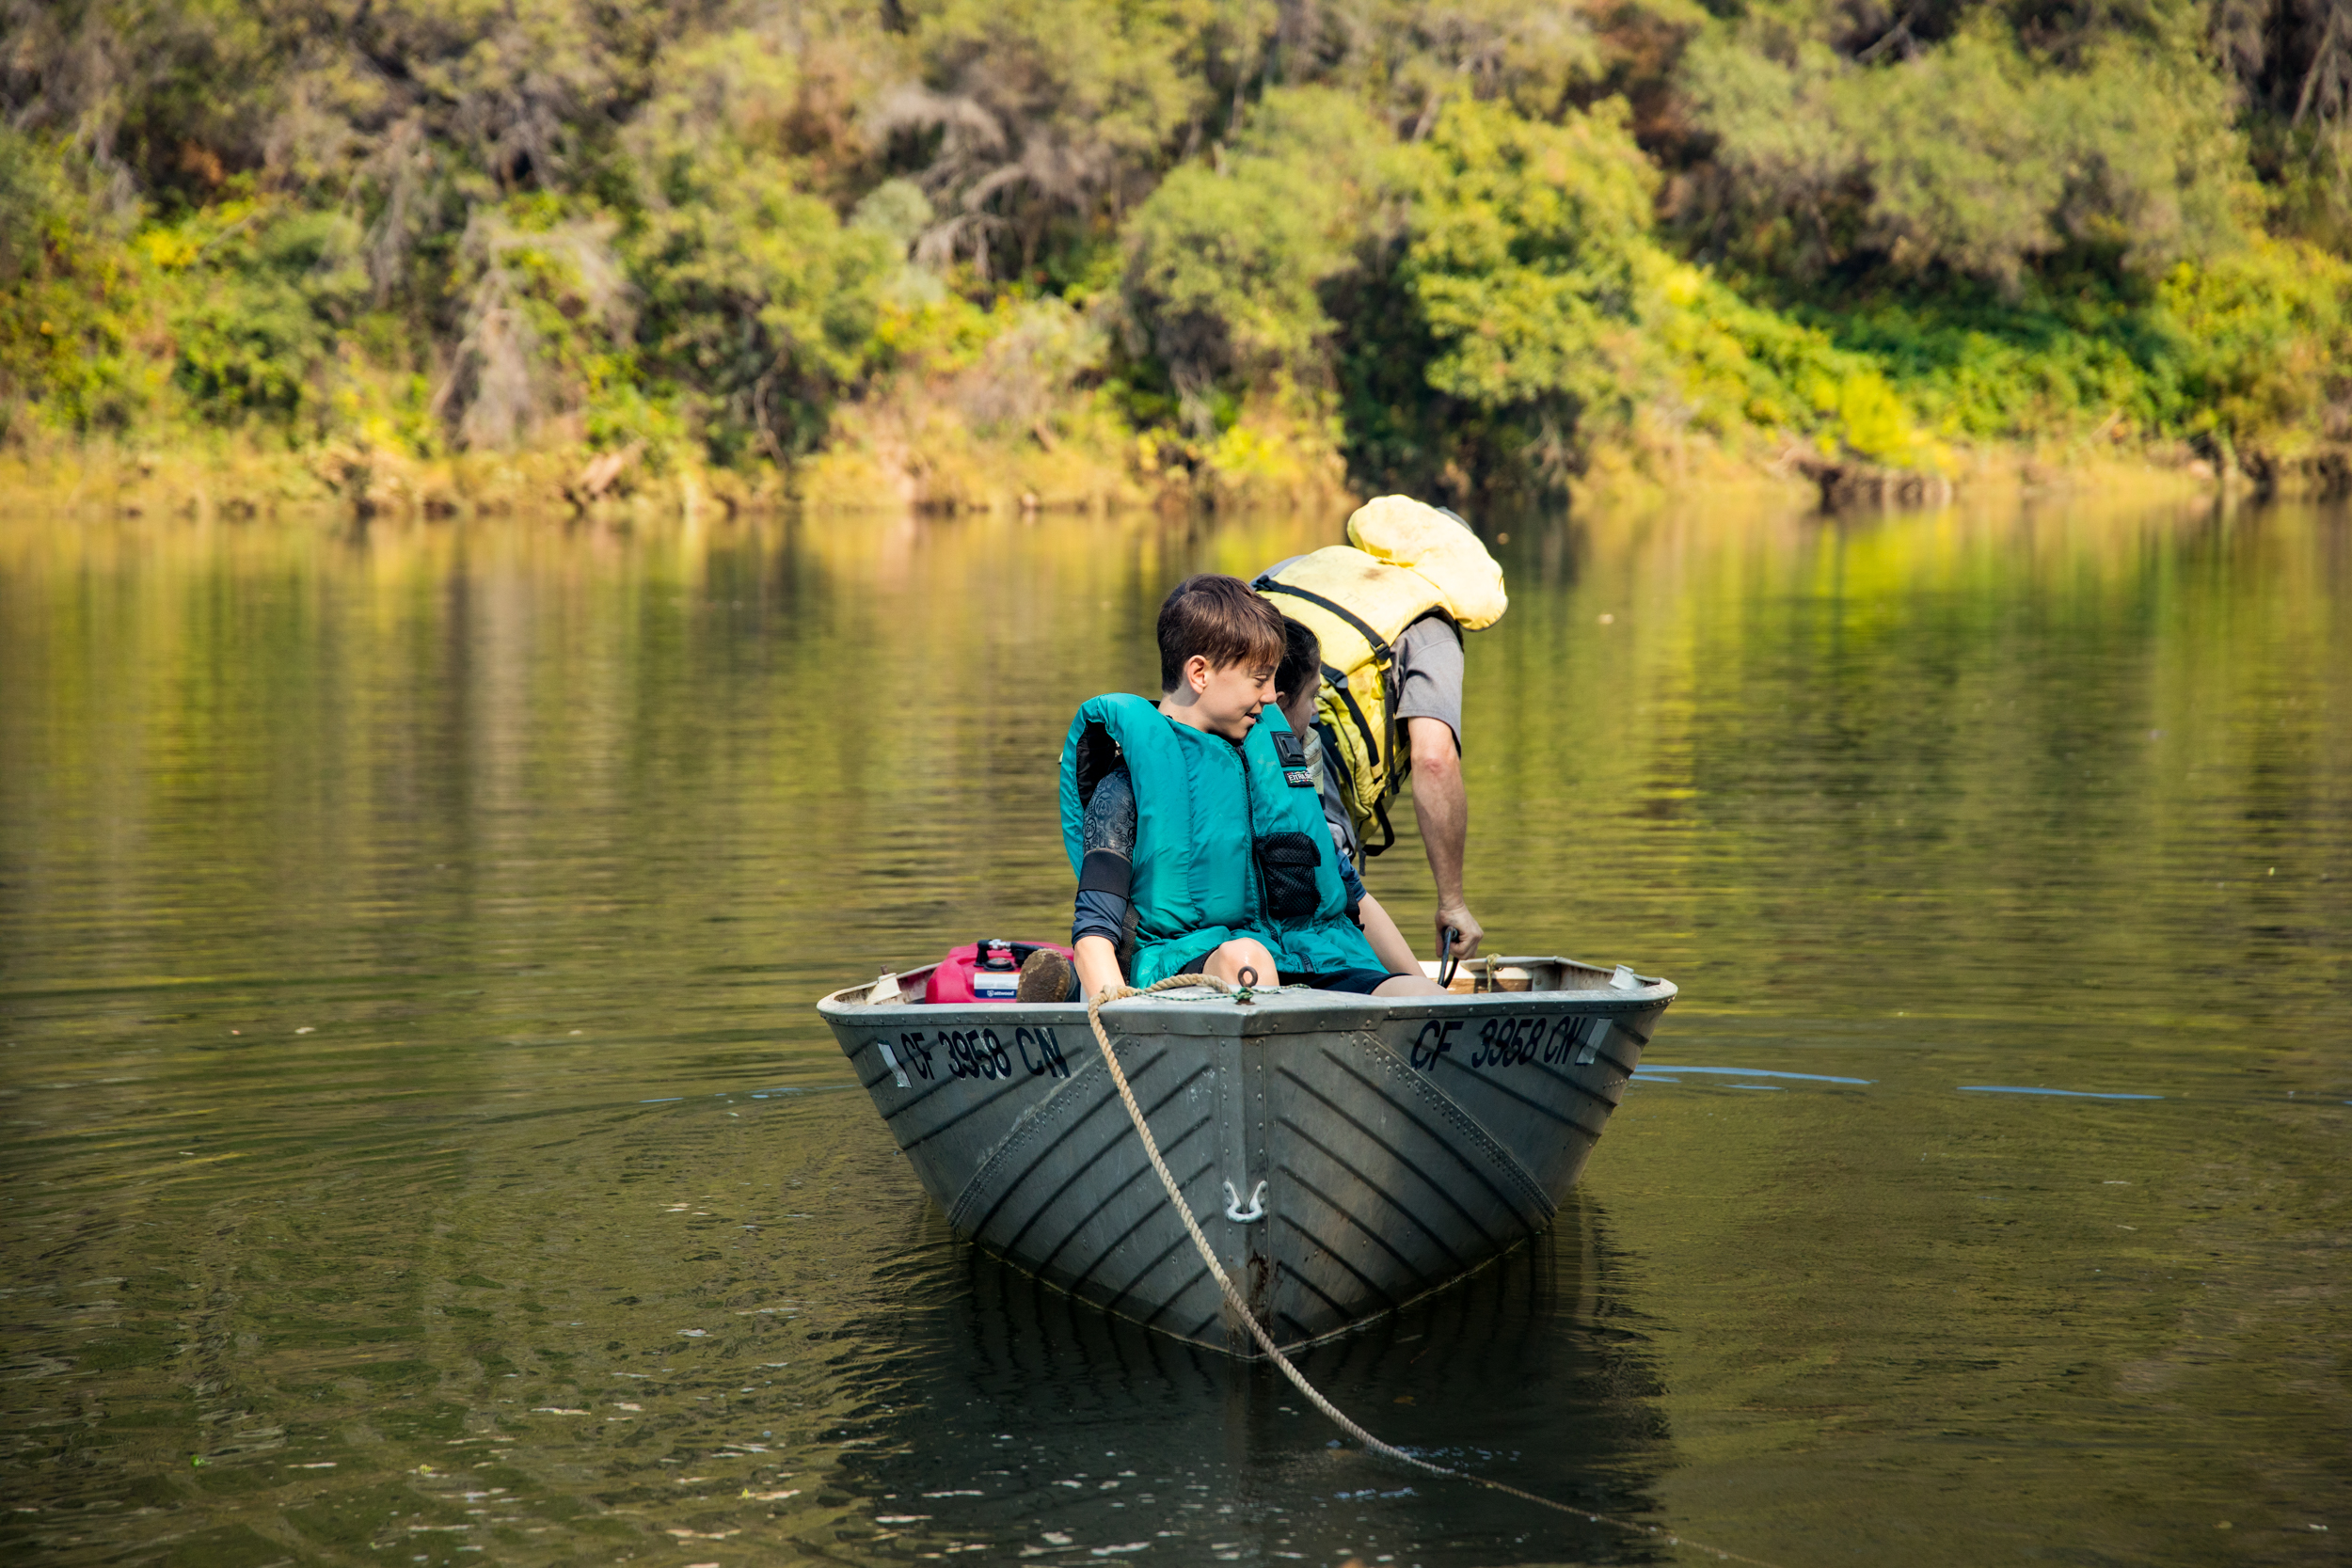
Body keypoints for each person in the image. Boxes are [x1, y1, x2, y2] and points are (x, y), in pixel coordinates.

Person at [1042, 574, 1443, 1004]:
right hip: (1189, 971)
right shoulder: (1123, 787)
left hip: (1308, 961)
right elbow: (1092, 938)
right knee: (1247, 960)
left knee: (1421, 994)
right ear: (1199, 673)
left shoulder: (1276, 766)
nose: (1272, 696)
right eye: (1259, 680)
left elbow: (1354, 897)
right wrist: (1122, 1025)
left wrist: (1425, 991)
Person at [1255, 495, 1507, 961]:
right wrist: (1451, 902)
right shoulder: (1429, 627)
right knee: (1332, 951)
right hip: (1305, 785)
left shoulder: (1299, 568)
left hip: (1208, 761)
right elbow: (1434, 760)